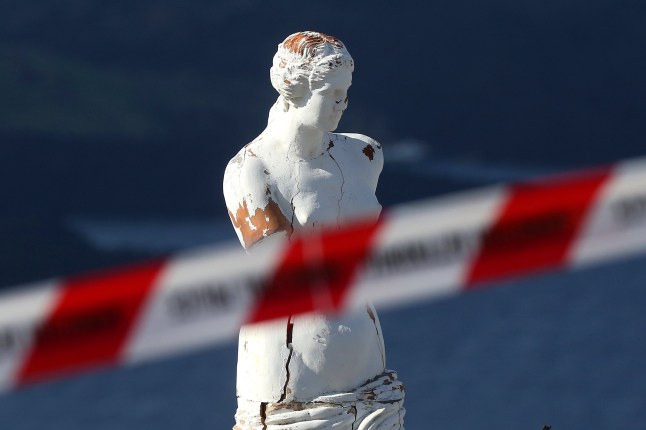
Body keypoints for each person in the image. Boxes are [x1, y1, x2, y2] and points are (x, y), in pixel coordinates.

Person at [224, 31, 405, 429]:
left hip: (369, 366)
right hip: (290, 374)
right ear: (294, 89)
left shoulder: (364, 155)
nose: (343, 102)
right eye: (331, 92)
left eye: (347, 92)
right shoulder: (251, 171)